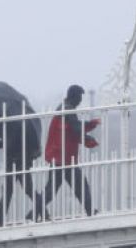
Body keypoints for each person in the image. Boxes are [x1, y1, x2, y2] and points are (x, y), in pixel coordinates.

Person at [39, 85, 99, 218]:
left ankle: (33, 214)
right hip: (65, 160)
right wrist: (90, 138)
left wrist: (90, 125)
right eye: (79, 97)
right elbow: (76, 130)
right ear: (74, 96)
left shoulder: (63, 108)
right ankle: (90, 212)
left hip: (60, 158)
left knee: (52, 191)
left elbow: (72, 129)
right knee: (80, 187)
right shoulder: (68, 110)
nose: (80, 101)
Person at [0, 115, 41, 227]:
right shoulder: (18, 124)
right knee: (20, 190)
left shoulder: (16, 124)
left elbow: (11, 142)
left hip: (17, 162)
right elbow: (10, 141)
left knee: (22, 190)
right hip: (18, 162)